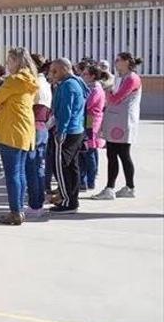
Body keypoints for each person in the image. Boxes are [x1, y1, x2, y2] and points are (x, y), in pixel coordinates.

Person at [0, 48, 38, 226]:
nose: (7, 64)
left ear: (17, 61)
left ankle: (15, 212)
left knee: (12, 174)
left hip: (11, 130)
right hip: (25, 130)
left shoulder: (13, 80)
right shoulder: (30, 80)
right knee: (20, 173)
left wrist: (0, 107)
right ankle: (18, 209)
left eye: (9, 61)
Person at [94, 52, 143, 200]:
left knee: (121, 154)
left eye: (118, 60)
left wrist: (107, 90)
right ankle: (123, 187)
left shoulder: (132, 79)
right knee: (114, 154)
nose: (115, 62)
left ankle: (115, 188)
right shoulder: (123, 78)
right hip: (117, 120)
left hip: (122, 122)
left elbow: (116, 98)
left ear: (127, 61)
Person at [46, 58, 88, 214]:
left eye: (55, 71)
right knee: (71, 167)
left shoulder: (68, 86)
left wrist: (60, 131)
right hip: (76, 130)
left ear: (65, 69)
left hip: (67, 131)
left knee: (61, 167)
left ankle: (67, 200)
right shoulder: (76, 82)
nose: (52, 74)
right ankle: (71, 200)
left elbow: (65, 112)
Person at [26, 54, 53, 218]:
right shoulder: (44, 83)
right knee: (38, 166)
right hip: (42, 127)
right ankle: (38, 201)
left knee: (32, 167)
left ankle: (35, 204)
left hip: (35, 126)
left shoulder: (36, 84)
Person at [80, 64, 107, 192]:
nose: (82, 76)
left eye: (85, 74)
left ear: (92, 76)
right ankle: (86, 179)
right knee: (89, 149)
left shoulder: (95, 89)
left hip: (91, 120)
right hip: (88, 119)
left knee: (89, 150)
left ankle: (90, 180)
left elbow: (88, 104)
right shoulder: (90, 87)